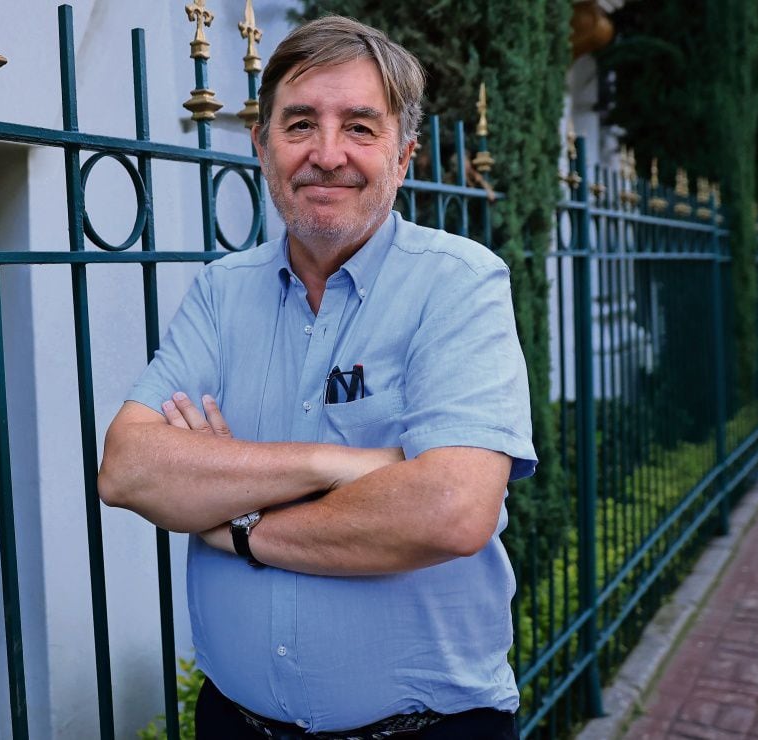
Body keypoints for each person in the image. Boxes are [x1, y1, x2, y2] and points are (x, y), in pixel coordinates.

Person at [98, 15, 536, 739]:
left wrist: (235, 526)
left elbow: (452, 511)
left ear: (403, 157)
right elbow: (127, 470)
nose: (326, 154)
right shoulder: (219, 291)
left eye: (361, 128)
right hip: (233, 723)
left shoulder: (458, 285)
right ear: (262, 145)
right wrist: (338, 464)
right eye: (299, 123)